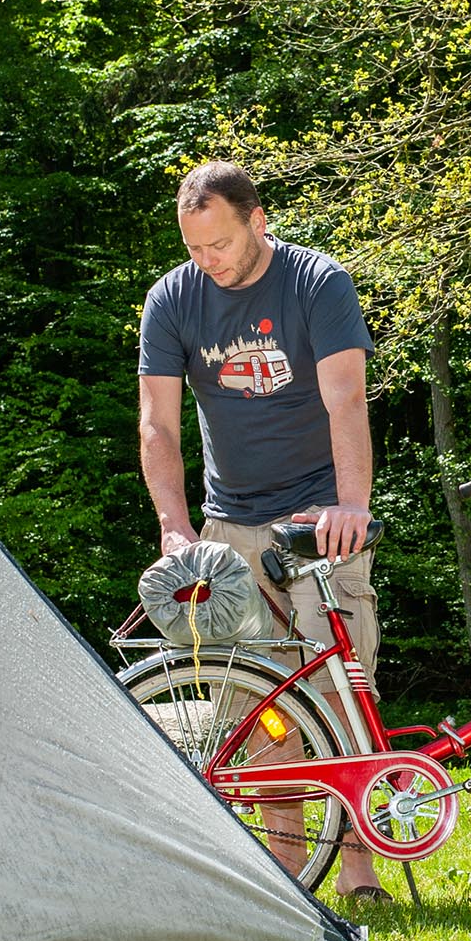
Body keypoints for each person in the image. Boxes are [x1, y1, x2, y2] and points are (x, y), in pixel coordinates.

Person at [137, 160, 389, 901]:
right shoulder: (174, 299)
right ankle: (288, 872)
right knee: (254, 707)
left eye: (218, 244)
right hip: (231, 522)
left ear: (258, 221)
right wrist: (176, 528)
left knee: (342, 689)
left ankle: (358, 869)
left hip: (318, 521)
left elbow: (346, 399)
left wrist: (350, 506)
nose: (206, 260)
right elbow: (158, 423)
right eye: (194, 248)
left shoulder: (317, 282)